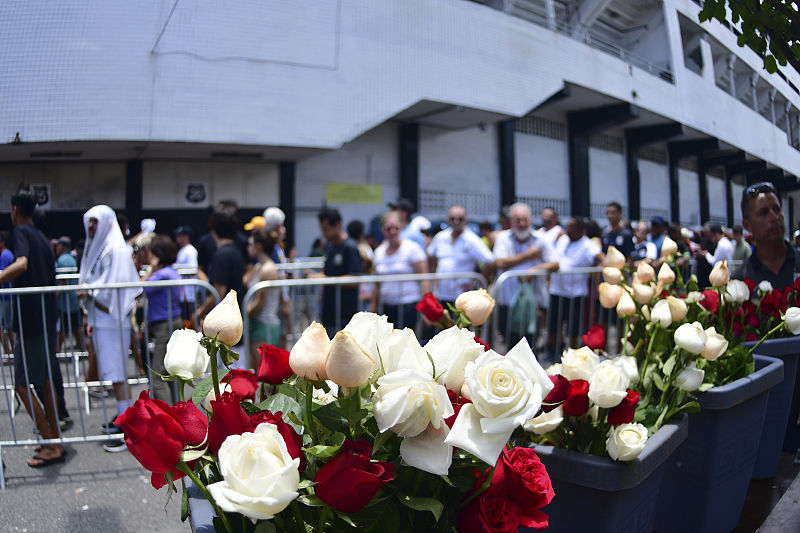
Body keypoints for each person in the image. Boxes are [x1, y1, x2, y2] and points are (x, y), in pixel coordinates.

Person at [733, 182, 800, 456]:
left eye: (776, 209)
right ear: (748, 226)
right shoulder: (740, 285)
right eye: (763, 213)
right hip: (772, 406)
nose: (774, 217)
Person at [0, 185, 64, 467]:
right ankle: (53, 438)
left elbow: (22, 264)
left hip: (31, 321)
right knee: (44, 381)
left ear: (15, 210)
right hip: (45, 318)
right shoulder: (41, 236)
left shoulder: (22, 232)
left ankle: (51, 444)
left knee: (22, 385)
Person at [80, 204, 142, 453]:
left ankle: (127, 428)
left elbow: (111, 291)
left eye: (95, 221)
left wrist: (88, 292)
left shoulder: (115, 249)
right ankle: (122, 418)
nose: (91, 226)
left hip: (112, 321)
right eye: (89, 221)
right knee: (113, 372)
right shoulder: (103, 247)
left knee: (117, 374)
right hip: (102, 321)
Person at [493, 203, 558, 349]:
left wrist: (534, 270)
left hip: (532, 302)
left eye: (525, 220)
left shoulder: (540, 238)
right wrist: (528, 255)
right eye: (518, 220)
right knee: (509, 345)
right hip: (507, 301)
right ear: (511, 221)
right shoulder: (503, 237)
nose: (522, 224)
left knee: (529, 347)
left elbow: (554, 264)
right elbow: (501, 262)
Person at [548, 217, 604, 358]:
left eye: (571, 227)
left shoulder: (588, 244)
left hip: (576, 293)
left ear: (580, 230)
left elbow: (599, 257)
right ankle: (555, 350)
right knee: (554, 324)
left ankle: (572, 354)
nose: (567, 229)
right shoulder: (563, 240)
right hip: (557, 290)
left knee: (573, 328)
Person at [370, 211, 429, 329]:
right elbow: (377, 283)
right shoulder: (379, 252)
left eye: (396, 227)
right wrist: (373, 309)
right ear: (382, 230)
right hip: (386, 307)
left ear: (401, 228)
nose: (392, 231)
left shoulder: (412, 248)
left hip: (409, 306)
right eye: (388, 228)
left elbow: (423, 279)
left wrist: (426, 309)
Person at [427, 205, 495, 307]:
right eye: (452, 218)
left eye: (460, 219)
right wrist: (433, 279)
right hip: (440, 295)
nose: (456, 221)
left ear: (466, 220)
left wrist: (476, 283)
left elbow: (491, 262)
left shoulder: (472, 239)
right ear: (447, 219)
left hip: (462, 297)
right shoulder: (440, 237)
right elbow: (430, 256)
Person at [141, 234, 182, 402]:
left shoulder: (162, 274)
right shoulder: (171, 272)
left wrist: (151, 268)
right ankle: (177, 411)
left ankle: (168, 416)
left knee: (157, 375)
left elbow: (141, 287)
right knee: (170, 372)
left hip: (164, 326)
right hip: (169, 323)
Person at [317, 208, 362, 336]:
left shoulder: (350, 247)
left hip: (345, 314)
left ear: (338, 225)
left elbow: (355, 279)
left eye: (326, 229)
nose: (323, 234)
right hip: (329, 312)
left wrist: (326, 279)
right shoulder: (330, 246)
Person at [245, 228, 281, 368]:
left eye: (251, 244)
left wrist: (244, 313)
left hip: (265, 325)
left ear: (258, 246)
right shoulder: (259, 266)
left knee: (265, 373)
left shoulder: (268, 269)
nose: (248, 248)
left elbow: (260, 302)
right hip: (257, 323)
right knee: (256, 371)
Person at [55, 236, 84, 353]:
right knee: (77, 325)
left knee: (62, 327)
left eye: (58, 245)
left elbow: (63, 282)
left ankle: (57, 352)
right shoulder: (72, 258)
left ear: (62, 247)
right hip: (73, 299)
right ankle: (82, 348)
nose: (56, 248)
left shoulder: (62, 260)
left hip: (65, 301)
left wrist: (55, 296)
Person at [174, 225, 198, 326]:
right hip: (181, 293)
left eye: (180, 236)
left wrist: (176, 269)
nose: (178, 238)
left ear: (186, 237)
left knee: (190, 321)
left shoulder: (190, 250)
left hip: (189, 293)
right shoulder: (181, 251)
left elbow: (193, 269)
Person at [0, 231, 15, 354]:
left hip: (6, 297)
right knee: (8, 326)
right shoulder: (8, 254)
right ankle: (11, 351)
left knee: (5, 326)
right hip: (7, 297)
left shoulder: (4, 256)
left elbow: (3, 274)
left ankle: (9, 352)